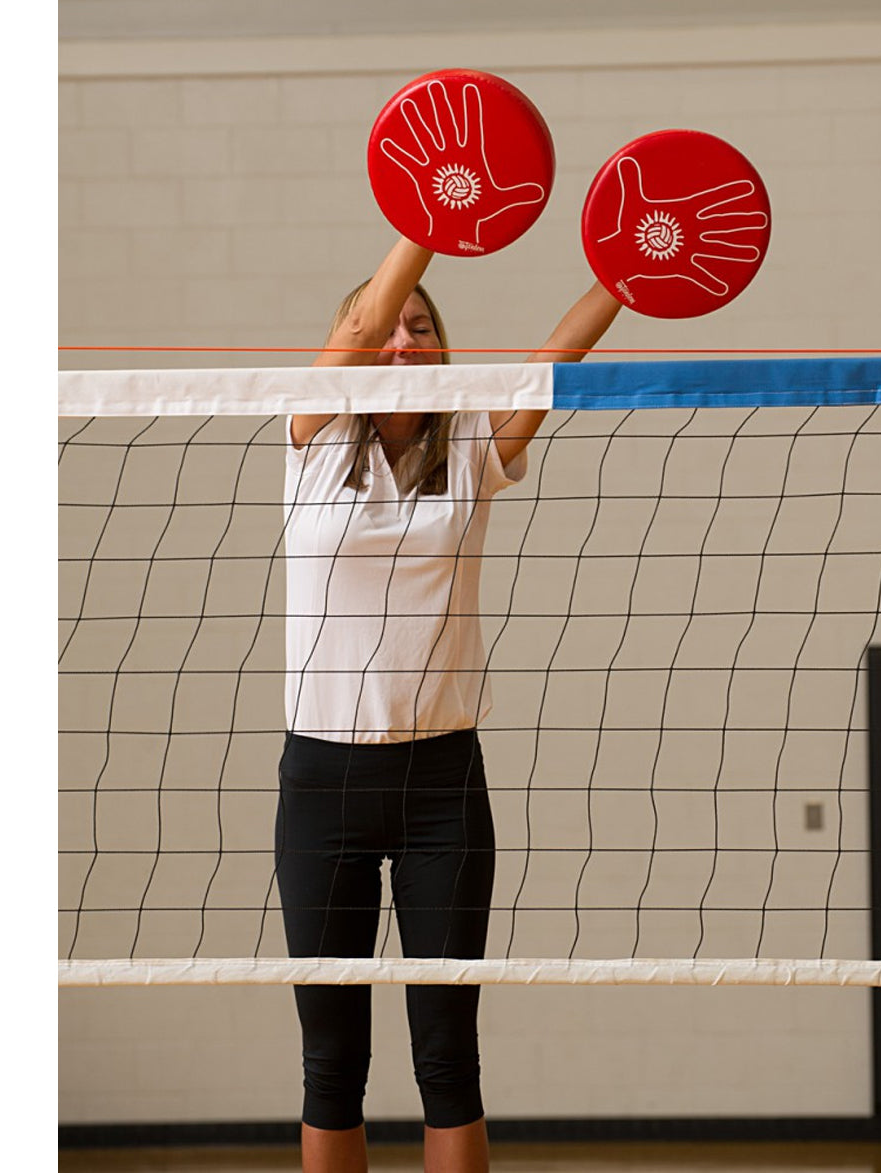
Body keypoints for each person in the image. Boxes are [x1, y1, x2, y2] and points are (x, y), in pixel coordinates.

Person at [277, 235, 622, 1173]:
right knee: (330, 1060)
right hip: (322, 781)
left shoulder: (470, 445)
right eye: (388, 326)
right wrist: (428, 217)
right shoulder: (311, 441)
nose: (399, 340)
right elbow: (360, 320)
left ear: (440, 350)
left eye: (421, 328)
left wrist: (625, 272)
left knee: (448, 1055)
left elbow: (558, 360)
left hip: (441, 782)